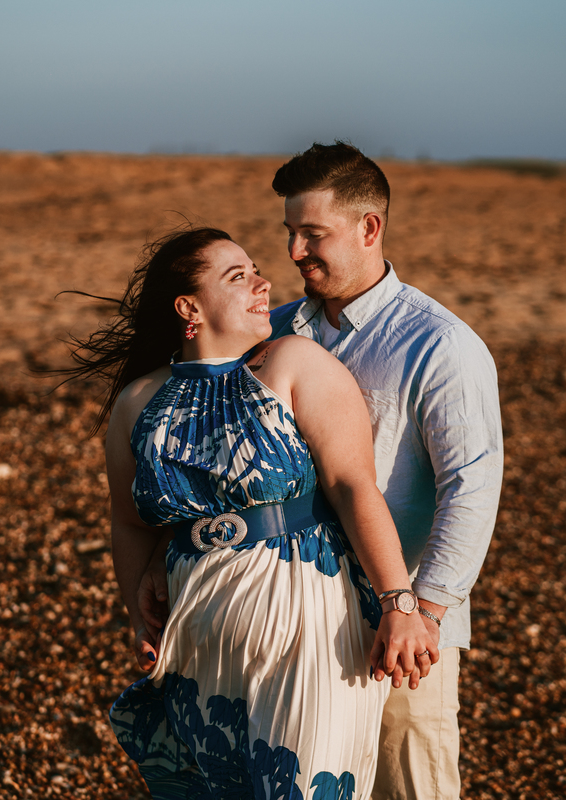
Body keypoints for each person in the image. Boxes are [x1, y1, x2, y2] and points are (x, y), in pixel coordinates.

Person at [141, 144, 504, 799]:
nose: (295, 252)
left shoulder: (440, 346)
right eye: (289, 233)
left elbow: (471, 488)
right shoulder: (274, 334)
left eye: (313, 234)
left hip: (404, 630)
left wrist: (421, 611)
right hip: (300, 627)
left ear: (369, 229)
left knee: (409, 786)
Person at [64, 226, 436, 798]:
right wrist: (139, 616)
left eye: (256, 270)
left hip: (312, 628)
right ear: (189, 306)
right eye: (238, 277)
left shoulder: (293, 363)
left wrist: (399, 602)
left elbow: (352, 486)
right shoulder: (138, 403)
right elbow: (130, 520)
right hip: (200, 637)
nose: (264, 283)